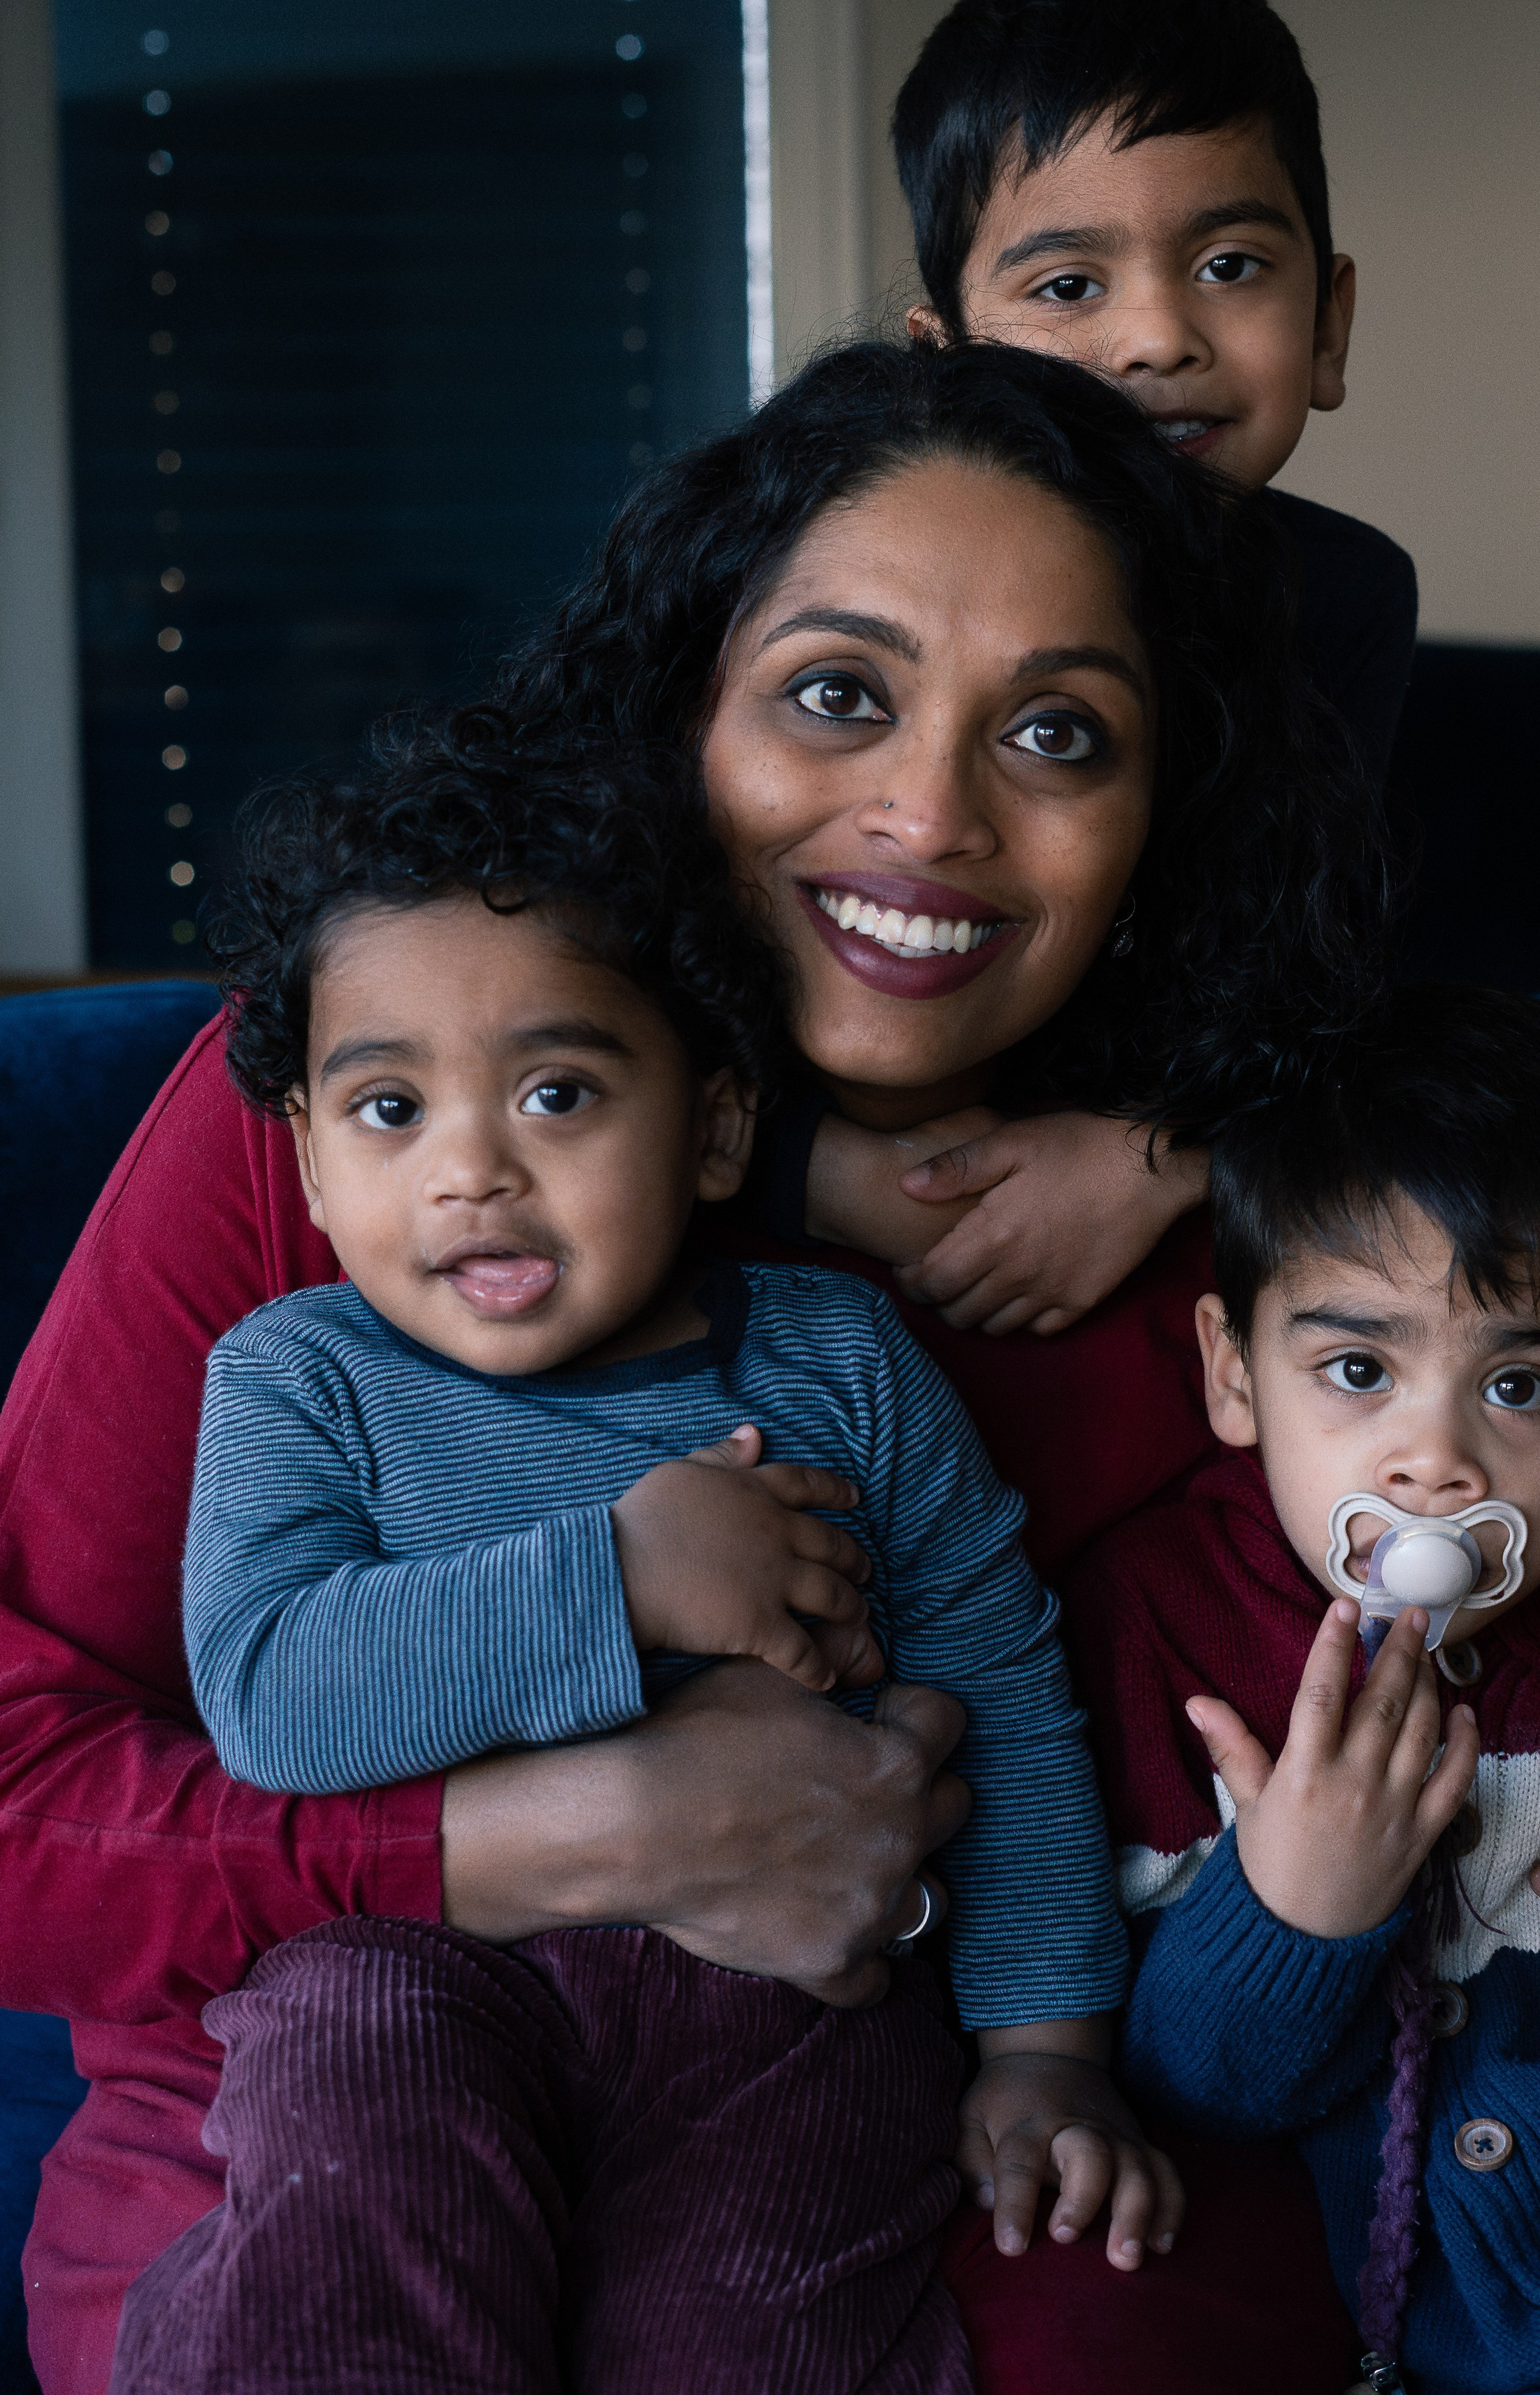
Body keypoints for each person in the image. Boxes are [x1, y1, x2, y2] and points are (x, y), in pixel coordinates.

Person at [1, 338, 1379, 2395]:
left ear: (1162, 815)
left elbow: (1401, 1744)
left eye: (1057, 735)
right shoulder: (361, 1128)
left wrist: (1197, 1149)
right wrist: (569, 1835)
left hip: (835, 2109)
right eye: (835, 693)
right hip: (329, 2065)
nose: (929, 814)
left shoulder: (1223, 1261)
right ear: (680, 710)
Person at [111, 717, 1168, 2393]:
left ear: (716, 1129)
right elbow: (271, 1693)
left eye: (558, 1092)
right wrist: (613, 1578)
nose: (471, 1167)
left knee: (758, 2336)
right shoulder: (298, 1377)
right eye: (388, 1107)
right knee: (342, 2186)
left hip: (786, 2017)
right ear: (308, 1161)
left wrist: (1045, 2048)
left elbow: (1002, 1699)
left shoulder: (837, 1362)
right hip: (421, 1981)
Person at [1067, 985, 1540, 2392]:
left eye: (1518, 1389)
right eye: (1356, 1369)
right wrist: (1294, 1913)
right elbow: (1191, 2093)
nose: (1433, 1462)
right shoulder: (1163, 1625)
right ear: (1232, 1375)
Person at [802, 0, 1419, 1338]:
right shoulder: (832, 582)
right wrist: (816, 1173)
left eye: (1230, 264)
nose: (1156, 338)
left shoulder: (1341, 597)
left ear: (1327, 327)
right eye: (1069, 285)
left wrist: (1156, 1152)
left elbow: (1318, 975)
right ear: (945, 362)